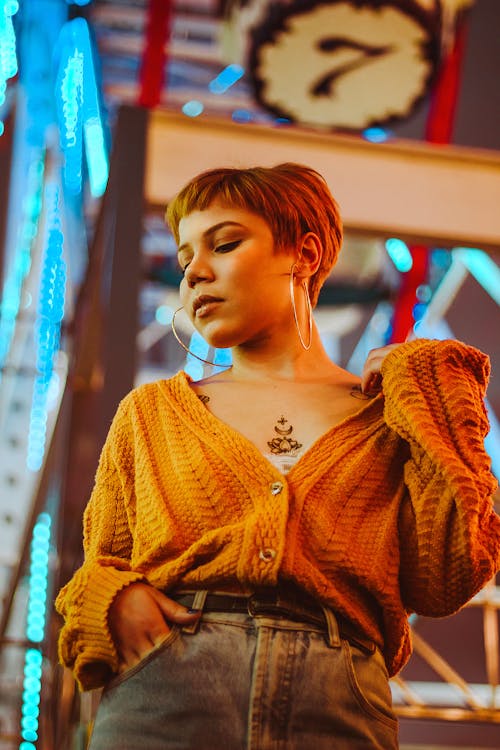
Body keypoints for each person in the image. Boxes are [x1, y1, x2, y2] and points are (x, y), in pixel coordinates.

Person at [55, 163, 500, 750]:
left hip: (338, 699)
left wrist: (429, 380)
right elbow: (98, 567)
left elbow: (451, 574)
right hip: (166, 692)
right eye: (187, 257)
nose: (195, 273)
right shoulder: (151, 413)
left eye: (226, 243)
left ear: (306, 253)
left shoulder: (391, 414)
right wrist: (113, 601)